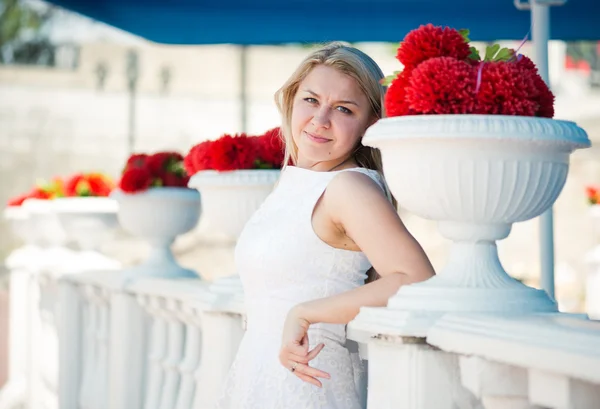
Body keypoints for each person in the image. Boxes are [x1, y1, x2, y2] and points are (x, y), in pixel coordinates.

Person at [215, 42, 435, 409]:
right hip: (262, 379)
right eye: (311, 100)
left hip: (308, 385)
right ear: (291, 99)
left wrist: (306, 312)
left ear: (370, 124)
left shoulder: (348, 187)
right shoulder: (296, 182)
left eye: (344, 109)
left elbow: (416, 279)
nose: (320, 120)